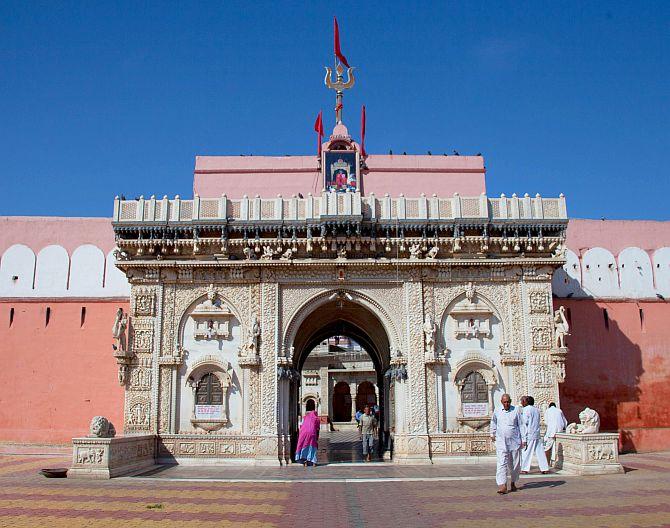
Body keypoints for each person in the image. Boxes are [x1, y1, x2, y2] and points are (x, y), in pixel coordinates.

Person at [490, 393, 525, 494]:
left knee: (514, 464)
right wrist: (492, 433)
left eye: (508, 402)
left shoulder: (516, 410)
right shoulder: (497, 410)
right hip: (501, 441)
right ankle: (502, 485)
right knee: (501, 463)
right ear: (501, 402)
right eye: (505, 402)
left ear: (511, 401)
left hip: (514, 441)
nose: (506, 404)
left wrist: (524, 440)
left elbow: (521, 425)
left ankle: (513, 482)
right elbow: (493, 422)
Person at [520, 396, 550, 474]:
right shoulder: (536, 410)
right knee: (540, 452)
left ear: (527, 402)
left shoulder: (526, 409)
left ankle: (524, 468)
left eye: (523, 401)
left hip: (529, 434)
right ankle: (544, 468)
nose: (522, 403)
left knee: (526, 451)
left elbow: (524, 422)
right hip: (537, 433)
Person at [295, 400, 320, 467]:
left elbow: (301, 426)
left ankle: (304, 461)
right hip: (312, 433)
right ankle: (313, 462)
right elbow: (317, 429)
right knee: (313, 447)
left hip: (303, 433)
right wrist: (317, 438)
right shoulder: (316, 418)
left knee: (304, 446)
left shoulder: (305, 417)